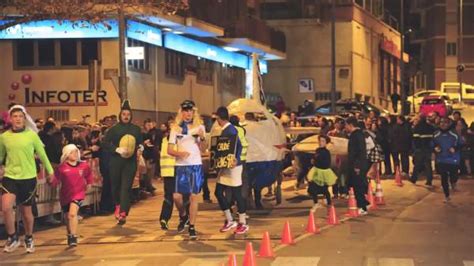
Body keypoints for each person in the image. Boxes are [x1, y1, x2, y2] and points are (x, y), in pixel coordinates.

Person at [0, 105, 54, 253]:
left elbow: (42, 155)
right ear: (10, 119)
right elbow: (0, 156)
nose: (18, 119)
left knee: (26, 213)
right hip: (10, 176)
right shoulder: (4, 137)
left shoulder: (31, 135)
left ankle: (29, 237)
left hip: (28, 178)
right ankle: (12, 237)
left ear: (24, 119)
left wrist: (50, 171)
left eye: (20, 116)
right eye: (15, 116)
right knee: (5, 207)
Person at [167, 100, 206, 240]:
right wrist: (180, 154)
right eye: (185, 110)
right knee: (176, 196)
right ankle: (183, 216)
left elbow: (204, 149)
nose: (188, 113)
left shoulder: (199, 127)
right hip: (180, 166)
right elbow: (169, 149)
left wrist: (202, 138)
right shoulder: (176, 128)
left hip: (195, 165)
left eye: (190, 111)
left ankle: (192, 226)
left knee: (194, 196)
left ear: (194, 112)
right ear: (181, 112)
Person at [103, 100, 143, 225]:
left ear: (131, 116)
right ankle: (118, 205)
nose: (126, 116)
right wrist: (116, 149)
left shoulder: (136, 129)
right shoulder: (113, 130)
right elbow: (104, 143)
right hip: (116, 161)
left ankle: (123, 212)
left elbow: (140, 142)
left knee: (126, 187)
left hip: (130, 162)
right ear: (120, 115)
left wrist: (141, 147)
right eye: (124, 114)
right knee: (116, 186)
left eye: (128, 114)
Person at [48, 144, 92, 247]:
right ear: (67, 154)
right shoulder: (61, 168)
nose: (75, 154)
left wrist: (89, 183)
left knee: (72, 214)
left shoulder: (84, 165)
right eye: (72, 152)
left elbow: (89, 175)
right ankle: (69, 234)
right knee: (68, 217)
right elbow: (56, 181)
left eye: (76, 152)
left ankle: (73, 236)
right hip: (65, 195)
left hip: (78, 194)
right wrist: (50, 180)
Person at [214, 107, 249, 234]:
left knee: (237, 194)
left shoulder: (231, 130)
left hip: (233, 167)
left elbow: (238, 145)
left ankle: (243, 222)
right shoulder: (227, 130)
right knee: (218, 192)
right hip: (226, 167)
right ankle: (230, 220)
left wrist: (237, 160)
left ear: (219, 118)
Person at [432, 117, 463, 202]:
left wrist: (454, 148)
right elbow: (432, 144)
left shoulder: (454, 134)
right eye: (441, 122)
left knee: (453, 176)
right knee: (444, 178)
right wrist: (435, 148)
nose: (443, 124)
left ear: (449, 124)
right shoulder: (436, 134)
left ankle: (453, 182)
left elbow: (461, 144)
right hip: (442, 159)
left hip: (453, 159)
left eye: (445, 122)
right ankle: (447, 196)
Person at [345, 117, 370, 215]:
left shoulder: (356, 135)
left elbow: (358, 152)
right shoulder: (358, 134)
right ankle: (364, 203)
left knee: (358, 186)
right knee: (358, 185)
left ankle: (362, 207)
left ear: (351, 125)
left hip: (357, 166)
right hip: (358, 164)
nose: (345, 127)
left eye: (346, 125)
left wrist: (357, 166)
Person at [307, 135, 337, 212]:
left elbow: (326, 163)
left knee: (325, 189)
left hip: (324, 172)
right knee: (313, 188)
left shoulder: (326, 152)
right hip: (316, 171)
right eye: (320, 141)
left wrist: (316, 161)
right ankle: (316, 203)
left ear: (326, 142)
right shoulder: (317, 150)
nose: (321, 143)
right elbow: (314, 158)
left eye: (323, 141)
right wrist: (313, 161)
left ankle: (329, 203)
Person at [410, 115, 435, 186]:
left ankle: (414, 179)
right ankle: (429, 180)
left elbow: (415, 139)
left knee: (417, 164)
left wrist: (416, 148)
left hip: (420, 149)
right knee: (428, 164)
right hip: (428, 148)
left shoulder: (417, 127)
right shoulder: (430, 127)